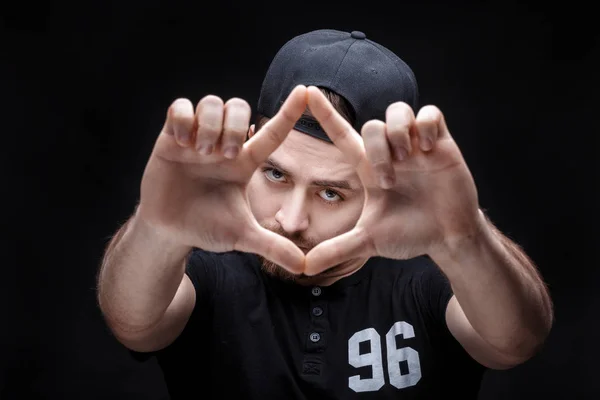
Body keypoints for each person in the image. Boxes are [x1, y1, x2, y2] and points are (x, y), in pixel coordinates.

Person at [96, 29, 554, 399]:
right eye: (275, 175)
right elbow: (133, 323)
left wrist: (464, 240)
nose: (291, 220)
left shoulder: (432, 272)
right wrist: (157, 230)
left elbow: (515, 342)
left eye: (331, 193)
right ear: (251, 144)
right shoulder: (204, 261)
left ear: (386, 184)